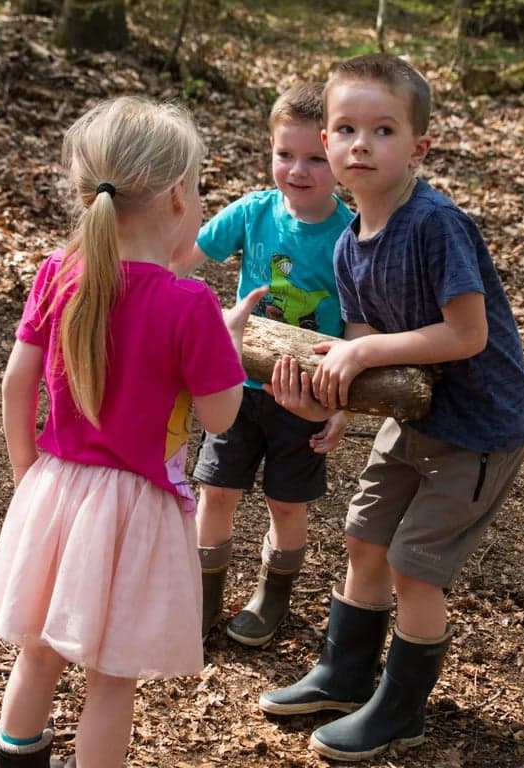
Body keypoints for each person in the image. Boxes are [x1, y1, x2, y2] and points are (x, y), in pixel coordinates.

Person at [258, 53, 524, 762]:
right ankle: (345, 672)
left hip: (478, 427)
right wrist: (333, 404)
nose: (360, 144)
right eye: (345, 128)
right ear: (325, 142)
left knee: (414, 565)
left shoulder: (435, 224)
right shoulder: (349, 244)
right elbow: (362, 345)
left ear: (418, 148)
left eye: (382, 130)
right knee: (363, 538)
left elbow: (466, 335)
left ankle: (400, 708)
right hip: (410, 418)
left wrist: (364, 357)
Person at [0, 95, 266, 768]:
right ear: (173, 198)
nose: (197, 205)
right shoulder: (189, 303)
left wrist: (28, 478)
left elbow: (16, 383)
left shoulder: (58, 273)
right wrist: (225, 343)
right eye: (197, 190)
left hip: (53, 491)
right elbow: (221, 417)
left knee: (39, 653)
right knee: (111, 678)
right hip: (136, 509)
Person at [170, 82, 355, 647]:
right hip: (237, 384)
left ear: (340, 157)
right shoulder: (254, 212)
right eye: (284, 155)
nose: (298, 170)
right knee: (216, 491)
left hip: (304, 393)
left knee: (285, 500)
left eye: (316, 158)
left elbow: (361, 331)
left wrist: (340, 406)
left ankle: (272, 596)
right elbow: (182, 261)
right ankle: (201, 599)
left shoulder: (350, 235)